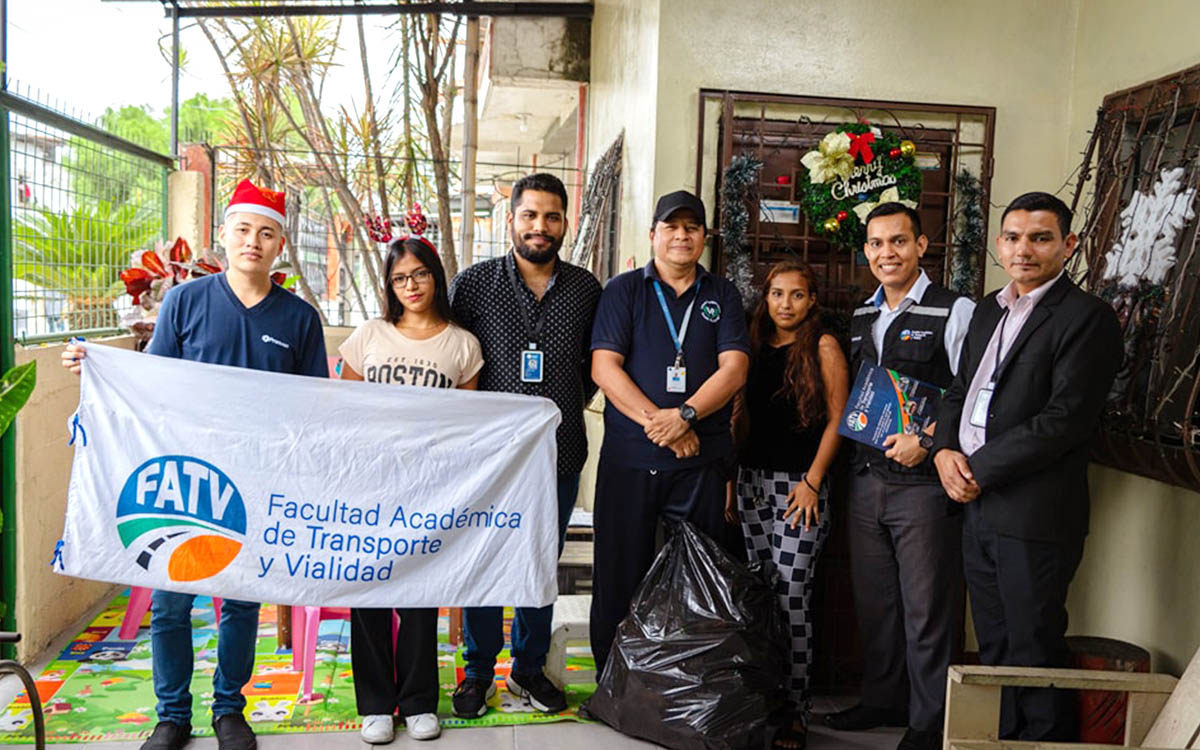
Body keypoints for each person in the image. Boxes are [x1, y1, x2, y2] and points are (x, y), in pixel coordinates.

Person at [62, 180, 328, 750]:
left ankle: (230, 709)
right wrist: (97, 367)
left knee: (240, 602)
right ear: (225, 236)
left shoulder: (300, 319)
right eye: (243, 230)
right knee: (170, 602)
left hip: (256, 481)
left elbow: (316, 408)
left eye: (266, 232)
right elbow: (150, 384)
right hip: (184, 479)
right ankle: (171, 715)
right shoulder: (186, 301)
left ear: (280, 244)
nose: (253, 242)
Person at [932, 192, 1121, 741]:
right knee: (992, 642)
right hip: (977, 506)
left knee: (1033, 642)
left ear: (1069, 245)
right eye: (1013, 237)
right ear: (999, 244)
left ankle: (1042, 742)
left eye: (1040, 238)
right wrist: (945, 451)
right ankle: (1001, 740)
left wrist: (977, 469)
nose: (1024, 249)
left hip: (1034, 511)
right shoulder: (989, 308)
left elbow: (1064, 420)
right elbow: (960, 389)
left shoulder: (1088, 319)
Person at [448, 172, 602, 717]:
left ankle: (529, 670)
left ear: (565, 222)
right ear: (510, 219)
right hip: (488, 459)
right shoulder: (472, 285)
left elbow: (594, 369)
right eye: (530, 215)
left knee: (540, 561)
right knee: (483, 559)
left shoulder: (587, 290)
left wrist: (555, 405)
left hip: (557, 453)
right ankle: (478, 672)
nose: (541, 226)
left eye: (552, 216)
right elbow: (454, 359)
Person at [824, 203, 975, 750]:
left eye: (898, 242)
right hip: (866, 480)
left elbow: (971, 391)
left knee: (926, 606)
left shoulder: (953, 310)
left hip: (923, 487)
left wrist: (931, 441)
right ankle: (882, 699)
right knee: (877, 602)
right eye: (876, 244)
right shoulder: (864, 315)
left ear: (921, 245)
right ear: (865, 251)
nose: (887, 253)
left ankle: (929, 718)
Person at [589, 189, 750, 675]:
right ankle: (611, 678)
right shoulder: (623, 290)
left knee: (698, 577)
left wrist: (686, 416)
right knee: (618, 573)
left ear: (704, 237)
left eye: (692, 228)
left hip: (698, 461)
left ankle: (689, 682)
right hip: (630, 460)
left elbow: (735, 368)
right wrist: (662, 425)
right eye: (672, 227)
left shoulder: (721, 294)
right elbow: (604, 367)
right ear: (654, 234)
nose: (682, 236)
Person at [339, 235, 483, 743]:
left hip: (428, 487)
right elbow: (345, 409)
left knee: (420, 592)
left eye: (419, 274)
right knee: (370, 592)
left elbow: (466, 423)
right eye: (400, 278)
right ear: (389, 285)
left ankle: (421, 700)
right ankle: (376, 703)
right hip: (371, 485)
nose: (411, 285)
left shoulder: (462, 344)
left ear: (435, 277)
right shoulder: (370, 335)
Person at [729, 260, 848, 750]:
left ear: (812, 300)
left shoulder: (823, 346)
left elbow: (839, 419)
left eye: (796, 295)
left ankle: (796, 711)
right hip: (754, 484)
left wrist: (813, 481)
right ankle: (765, 702)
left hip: (801, 489)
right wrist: (732, 478)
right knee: (763, 593)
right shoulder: (754, 347)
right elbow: (741, 418)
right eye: (777, 294)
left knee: (792, 593)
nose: (785, 304)